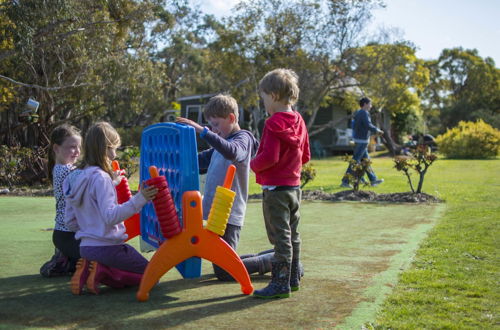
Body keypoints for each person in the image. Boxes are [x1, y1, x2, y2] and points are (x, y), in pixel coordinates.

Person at [176, 94, 275, 280]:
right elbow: (197, 161)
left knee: (225, 271)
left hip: (229, 214)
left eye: (216, 124)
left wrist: (204, 132)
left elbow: (233, 152)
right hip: (216, 213)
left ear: (231, 118)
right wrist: (175, 161)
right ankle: (273, 255)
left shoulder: (242, 139)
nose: (214, 129)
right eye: (211, 126)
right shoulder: (220, 146)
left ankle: (275, 260)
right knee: (222, 260)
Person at [63, 122, 158, 295]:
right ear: (106, 148)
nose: (115, 154)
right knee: (153, 275)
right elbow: (111, 217)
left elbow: (70, 221)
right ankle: (103, 273)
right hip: (107, 248)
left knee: (121, 266)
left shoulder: (79, 177)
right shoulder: (101, 178)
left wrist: (91, 227)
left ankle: (91, 270)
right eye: (115, 148)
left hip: (85, 248)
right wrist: (141, 198)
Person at [251, 68, 310, 299]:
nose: (263, 103)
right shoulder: (299, 121)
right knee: (292, 233)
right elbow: (305, 156)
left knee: (279, 236)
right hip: (294, 188)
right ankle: (293, 277)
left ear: (274, 95)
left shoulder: (273, 123)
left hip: (275, 189)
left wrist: (253, 164)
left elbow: (269, 158)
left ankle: (280, 283)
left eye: (264, 98)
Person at [40, 124, 82, 277]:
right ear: (56, 149)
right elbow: (86, 176)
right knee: (94, 256)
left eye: (78, 147)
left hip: (71, 232)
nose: (77, 151)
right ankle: (60, 262)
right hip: (66, 234)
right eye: (72, 147)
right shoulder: (63, 170)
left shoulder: (69, 168)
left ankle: (67, 259)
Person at [341, 97, 384, 188]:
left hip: (360, 140)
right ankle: (345, 181)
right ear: (365, 104)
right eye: (370, 104)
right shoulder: (364, 113)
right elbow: (368, 125)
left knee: (366, 161)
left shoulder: (358, 113)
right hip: (361, 141)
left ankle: (373, 180)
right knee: (355, 161)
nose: (371, 106)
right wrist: (377, 130)